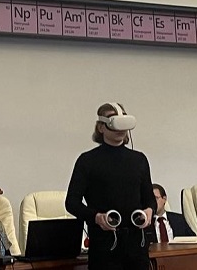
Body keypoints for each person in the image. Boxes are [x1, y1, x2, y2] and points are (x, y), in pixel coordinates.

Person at [65, 102, 156, 270]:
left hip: (137, 246)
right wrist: (97, 217)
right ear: (101, 127)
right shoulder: (87, 161)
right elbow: (71, 203)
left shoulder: (139, 160)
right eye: (114, 121)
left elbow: (150, 199)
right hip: (104, 247)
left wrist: (149, 211)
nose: (120, 128)